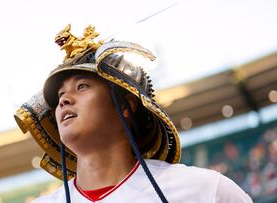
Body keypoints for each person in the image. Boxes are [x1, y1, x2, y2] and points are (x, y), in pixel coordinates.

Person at [14, 24, 252, 203]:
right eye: (59, 97)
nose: (64, 100)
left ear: (126, 106)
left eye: (82, 86)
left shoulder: (206, 191)